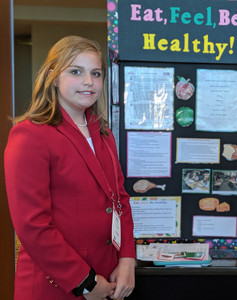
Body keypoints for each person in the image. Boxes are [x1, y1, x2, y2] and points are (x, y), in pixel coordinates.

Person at [4, 36, 136, 299]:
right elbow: (32, 225)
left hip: (107, 279)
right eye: (76, 71)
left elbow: (120, 200)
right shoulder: (30, 135)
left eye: (95, 73)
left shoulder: (104, 133)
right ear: (53, 77)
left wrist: (127, 259)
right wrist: (83, 282)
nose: (89, 81)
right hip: (56, 285)